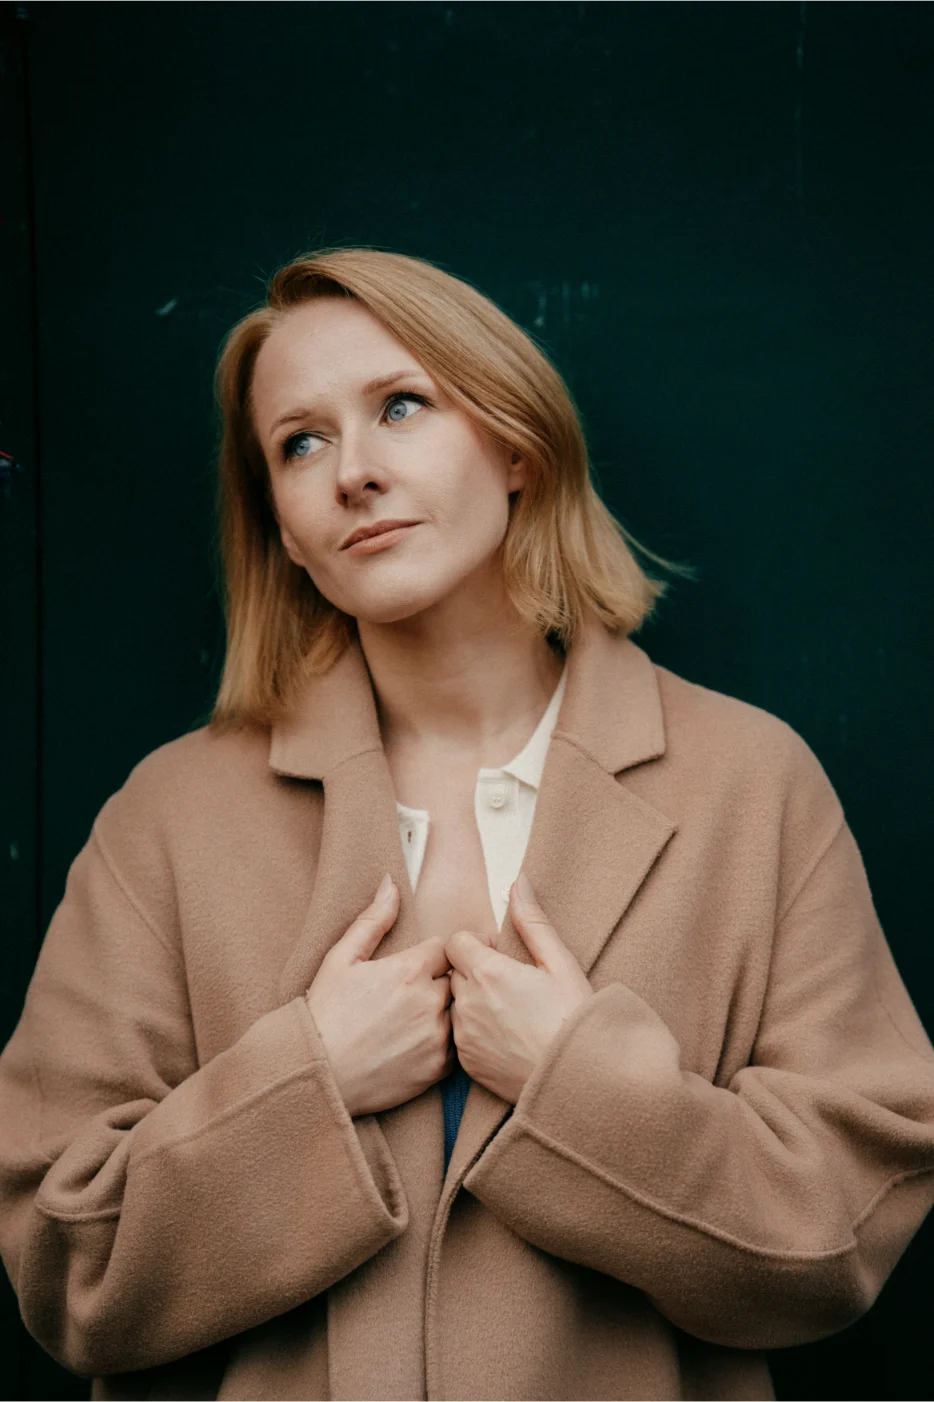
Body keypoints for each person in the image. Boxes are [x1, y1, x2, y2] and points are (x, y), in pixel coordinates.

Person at [1, 246, 933, 1402]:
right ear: (283, 531)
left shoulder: (750, 782)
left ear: (516, 449)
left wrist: (578, 1091)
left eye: (400, 406)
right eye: (301, 442)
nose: (353, 472)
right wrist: (313, 1081)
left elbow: (842, 1235)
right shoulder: (167, 817)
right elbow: (62, 1258)